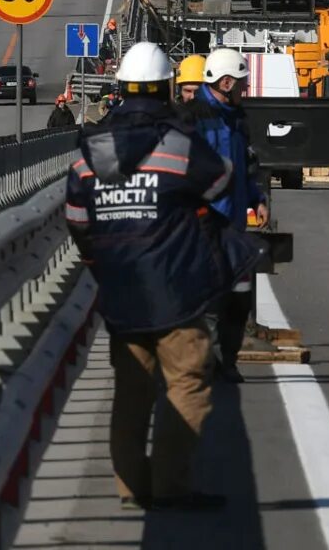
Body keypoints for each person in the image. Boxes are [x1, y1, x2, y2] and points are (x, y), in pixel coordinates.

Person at [65, 42, 243, 511]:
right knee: (187, 382)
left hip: (121, 291)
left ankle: (131, 489)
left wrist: (97, 263)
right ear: (167, 89)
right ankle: (170, 486)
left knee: (131, 392)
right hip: (176, 289)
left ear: (120, 90)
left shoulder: (91, 153)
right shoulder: (178, 146)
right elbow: (222, 181)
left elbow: (76, 219)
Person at [182, 48, 267, 381]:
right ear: (227, 82)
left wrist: (257, 197)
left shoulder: (237, 119)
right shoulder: (192, 118)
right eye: (242, 84)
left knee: (239, 297)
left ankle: (226, 361)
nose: (244, 89)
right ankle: (213, 364)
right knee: (213, 298)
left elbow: (245, 168)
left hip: (234, 222)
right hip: (204, 222)